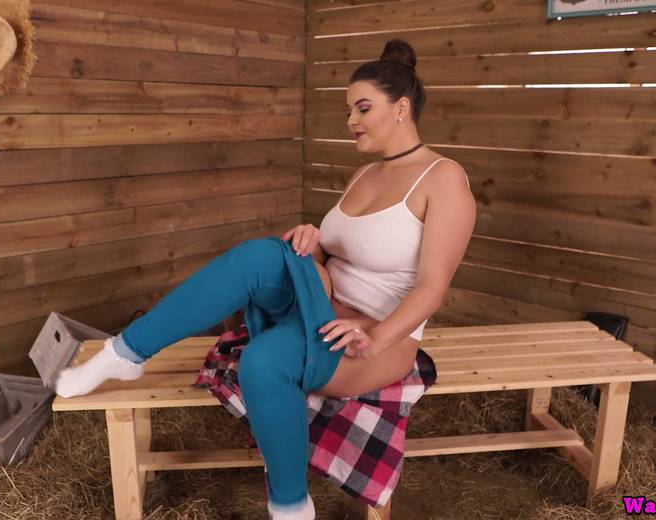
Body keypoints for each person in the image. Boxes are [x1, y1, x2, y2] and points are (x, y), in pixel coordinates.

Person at [54, 38, 476, 519]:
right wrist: (312, 239)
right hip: (320, 301)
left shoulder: (444, 179)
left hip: (374, 337)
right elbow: (342, 250)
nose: (351, 121)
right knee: (262, 255)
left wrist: (376, 337)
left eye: (363, 108)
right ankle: (124, 354)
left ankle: (291, 508)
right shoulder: (364, 175)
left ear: (401, 108)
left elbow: (432, 288)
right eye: (348, 111)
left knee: (261, 362)